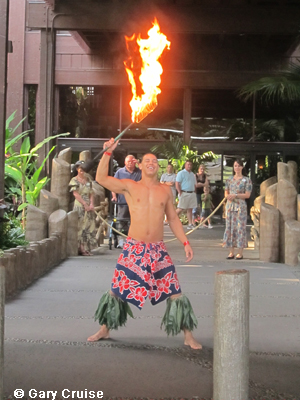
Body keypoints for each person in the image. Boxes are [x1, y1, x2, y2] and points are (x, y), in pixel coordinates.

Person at [87, 139, 201, 350]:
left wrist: (185, 242)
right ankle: (105, 328)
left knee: (174, 289)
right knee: (117, 289)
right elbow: (101, 178)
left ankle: (188, 334)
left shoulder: (166, 191)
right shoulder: (130, 186)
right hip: (134, 247)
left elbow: (174, 219)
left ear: (158, 166)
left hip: (157, 249)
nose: (151, 163)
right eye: (147, 160)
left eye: (155, 161)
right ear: (139, 165)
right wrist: (108, 153)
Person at [223, 159, 252, 260]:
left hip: (240, 206)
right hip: (230, 206)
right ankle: (231, 252)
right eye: (235, 166)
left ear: (242, 167)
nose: (237, 168)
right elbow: (226, 193)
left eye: (239, 166)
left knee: (240, 228)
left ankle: (240, 252)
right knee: (230, 227)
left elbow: (247, 195)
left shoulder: (247, 180)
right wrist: (228, 197)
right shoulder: (229, 179)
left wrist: (236, 195)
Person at [111, 154, 142, 247]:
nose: (130, 164)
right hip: (122, 201)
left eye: (132, 162)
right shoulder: (120, 172)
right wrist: (114, 196)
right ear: (125, 162)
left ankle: (135, 239)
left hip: (136, 201)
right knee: (121, 220)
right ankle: (121, 239)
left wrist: (139, 164)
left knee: (135, 221)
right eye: (128, 162)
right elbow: (113, 185)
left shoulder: (140, 172)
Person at [69, 160, 97, 256]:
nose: (82, 172)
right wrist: (84, 204)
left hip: (88, 204)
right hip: (79, 205)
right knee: (80, 225)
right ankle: (80, 248)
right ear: (77, 169)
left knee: (88, 226)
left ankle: (86, 247)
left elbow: (91, 193)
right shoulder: (74, 180)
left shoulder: (88, 179)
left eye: (84, 170)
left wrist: (91, 204)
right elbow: (75, 194)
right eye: (81, 170)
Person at [175, 160, 197, 230]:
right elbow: (177, 183)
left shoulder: (192, 174)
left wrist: (194, 191)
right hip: (184, 192)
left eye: (190, 164)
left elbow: (194, 184)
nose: (189, 166)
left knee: (190, 209)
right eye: (188, 164)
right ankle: (172, 220)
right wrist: (179, 191)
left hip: (192, 193)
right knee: (181, 208)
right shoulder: (181, 173)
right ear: (185, 165)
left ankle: (190, 224)